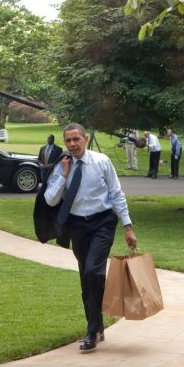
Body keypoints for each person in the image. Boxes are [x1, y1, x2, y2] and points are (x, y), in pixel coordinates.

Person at [43, 123, 138, 353]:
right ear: (64, 143)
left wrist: (127, 226)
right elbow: (50, 200)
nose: (73, 144)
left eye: (76, 139)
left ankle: (92, 330)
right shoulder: (62, 166)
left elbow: (116, 193)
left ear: (85, 139)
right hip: (77, 226)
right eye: (68, 140)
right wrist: (64, 176)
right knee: (87, 279)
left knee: (93, 271)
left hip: (102, 223)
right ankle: (97, 325)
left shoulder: (101, 161)